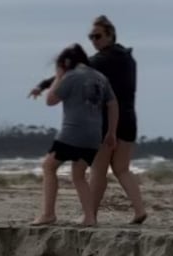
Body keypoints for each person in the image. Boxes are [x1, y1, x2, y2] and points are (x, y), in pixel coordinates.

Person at [29, 15, 146, 224]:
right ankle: (139, 210)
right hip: (129, 119)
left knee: (98, 170)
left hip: (105, 121)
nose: (93, 40)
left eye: (97, 36)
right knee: (122, 169)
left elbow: (72, 72)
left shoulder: (101, 61)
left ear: (110, 35)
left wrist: (43, 85)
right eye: (91, 37)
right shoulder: (129, 59)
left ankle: (89, 215)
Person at [32, 44, 118, 227]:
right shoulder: (101, 77)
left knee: (48, 167)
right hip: (94, 136)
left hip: (72, 132)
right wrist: (111, 132)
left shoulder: (71, 76)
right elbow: (113, 104)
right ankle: (89, 217)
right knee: (79, 175)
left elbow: (50, 100)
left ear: (66, 62)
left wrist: (58, 76)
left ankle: (48, 214)